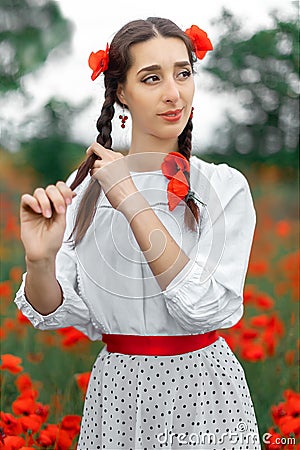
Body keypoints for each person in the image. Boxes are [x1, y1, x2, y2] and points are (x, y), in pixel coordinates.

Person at [14, 17, 261, 450]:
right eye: (152, 78)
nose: (174, 93)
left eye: (183, 73)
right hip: (118, 390)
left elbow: (204, 308)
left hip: (204, 388)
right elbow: (60, 314)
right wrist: (40, 260)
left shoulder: (223, 187)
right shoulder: (85, 188)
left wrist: (131, 201)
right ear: (121, 92)